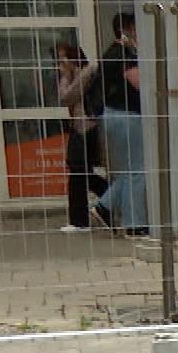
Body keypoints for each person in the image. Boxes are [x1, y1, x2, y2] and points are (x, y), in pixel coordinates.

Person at [97, 12, 148, 237]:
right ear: (127, 29)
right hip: (126, 116)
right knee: (137, 170)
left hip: (112, 115)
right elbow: (138, 83)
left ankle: (104, 207)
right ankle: (134, 223)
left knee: (130, 169)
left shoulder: (110, 52)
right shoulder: (125, 54)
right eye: (137, 27)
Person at [55, 42, 108, 233]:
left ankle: (80, 220)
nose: (60, 65)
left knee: (78, 171)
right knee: (80, 171)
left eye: (63, 60)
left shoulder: (86, 73)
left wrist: (66, 76)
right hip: (80, 128)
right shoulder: (77, 75)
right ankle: (108, 201)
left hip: (87, 128)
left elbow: (66, 97)